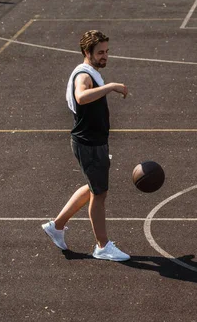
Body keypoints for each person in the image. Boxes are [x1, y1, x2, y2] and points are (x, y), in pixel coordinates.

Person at [41, 30, 130, 261]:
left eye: (107, 52)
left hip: (93, 142)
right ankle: (102, 246)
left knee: (93, 188)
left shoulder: (90, 73)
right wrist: (110, 86)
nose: (105, 56)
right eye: (100, 52)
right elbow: (81, 97)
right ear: (86, 52)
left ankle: (57, 226)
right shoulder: (84, 76)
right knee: (99, 194)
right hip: (89, 144)